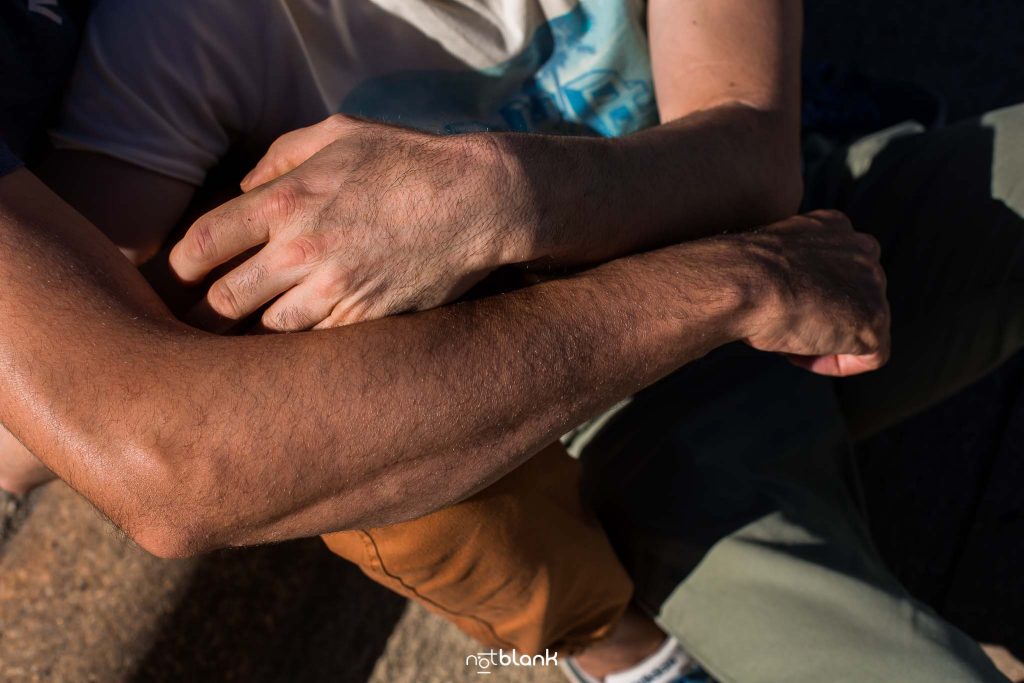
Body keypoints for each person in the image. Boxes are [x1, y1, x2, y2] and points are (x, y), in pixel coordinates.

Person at [0, 2, 1016, 683]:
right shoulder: (175, 34)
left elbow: (751, 150)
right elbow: (101, 413)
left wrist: (490, 196)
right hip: (598, 405)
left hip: (796, 220)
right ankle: (623, 646)